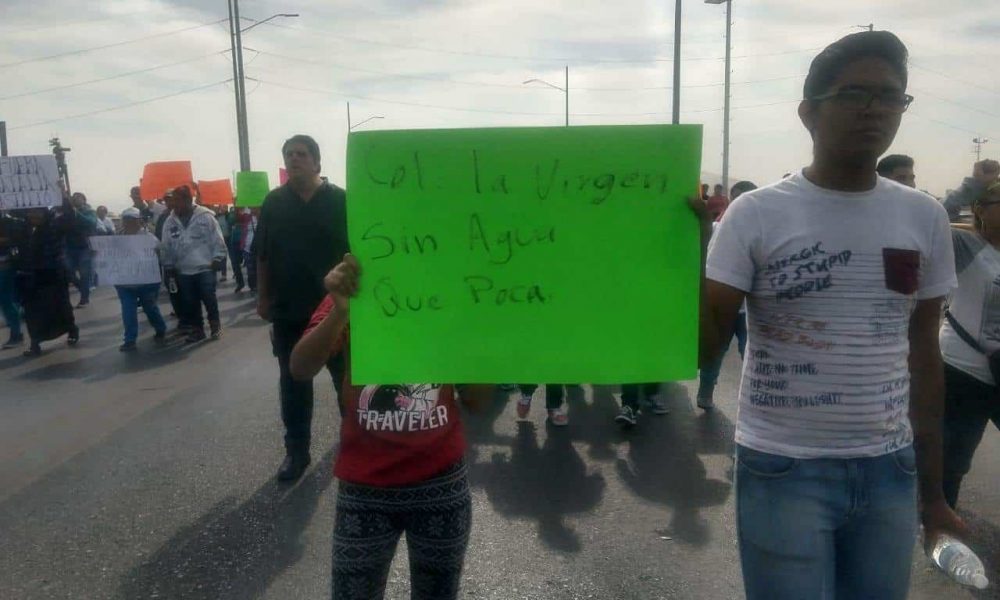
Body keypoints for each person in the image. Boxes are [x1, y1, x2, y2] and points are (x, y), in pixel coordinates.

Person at [699, 31, 966, 599]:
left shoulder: (925, 217)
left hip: (889, 468)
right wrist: (683, 245)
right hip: (783, 466)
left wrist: (934, 493)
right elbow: (701, 346)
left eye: (891, 96)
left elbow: (924, 353)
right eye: (855, 94)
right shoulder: (755, 215)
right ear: (809, 113)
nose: (876, 109)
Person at [289, 254, 490, 600]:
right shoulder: (356, 285)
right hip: (364, 487)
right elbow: (300, 367)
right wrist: (340, 312)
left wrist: (474, 345)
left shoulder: (455, 293)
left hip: (440, 483)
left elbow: (477, 401)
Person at [256, 134, 349, 482]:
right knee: (293, 384)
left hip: (337, 311)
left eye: (301, 154)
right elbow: (262, 254)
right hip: (289, 310)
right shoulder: (274, 203)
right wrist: (263, 297)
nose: (294, 159)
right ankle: (297, 452)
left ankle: (353, 446)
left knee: (346, 381)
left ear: (317, 162)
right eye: (289, 155)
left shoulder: (341, 200)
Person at [939, 179, 1000, 509]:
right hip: (965, 370)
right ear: (981, 210)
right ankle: (941, 516)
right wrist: (973, 183)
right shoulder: (966, 245)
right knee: (956, 452)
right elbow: (932, 217)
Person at [695, 180, 757, 410]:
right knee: (715, 353)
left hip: (748, 311)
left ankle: (751, 399)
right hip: (724, 307)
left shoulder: (765, 230)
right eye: (738, 197)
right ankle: (705, 393)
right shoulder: (719, 228)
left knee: (750, 355)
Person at [159, 185, 227, 343]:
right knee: (190, 302)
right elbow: (166, 245)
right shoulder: (170, 221)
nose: (174, 204)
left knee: (208, 297)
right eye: (173, 201)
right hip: (183, 269)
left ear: (188, 200)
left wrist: (218, 258)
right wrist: (168, 266)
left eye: (178, 201)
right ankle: (198, 330)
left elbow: (217, 239)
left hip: (205, 267)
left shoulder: (205, 217)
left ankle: (215, 325)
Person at [14, 203, 79, 356]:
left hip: (53, 273)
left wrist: (64, 197)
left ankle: (71, 330)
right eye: (30, 212)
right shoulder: (23, 228)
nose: (33, 215)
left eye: (37, 212)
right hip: (30, 275)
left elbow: (70, 218)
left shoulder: (54, 226)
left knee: (61, 306)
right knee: (32, 311)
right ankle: (35, 343)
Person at [114, 208, 167, 352]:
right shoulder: (117, 238)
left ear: (138, 221)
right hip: (125, 283)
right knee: (128, 310)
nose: (129, 223)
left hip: (147, 282)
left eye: (132, 220)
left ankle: (160, 327)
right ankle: (130, 340)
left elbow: (160, 251)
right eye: (126, 220)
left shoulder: (148, 237)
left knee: (150, 307)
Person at [64, 192, 98, 307]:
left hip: (85, 247)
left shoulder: (89, 212)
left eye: (78, 197)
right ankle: (83, 288)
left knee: (84, 274)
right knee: (68, 272)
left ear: (84, 200)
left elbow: (91, 222)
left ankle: (84, 298)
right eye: (74, 198)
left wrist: (76, 212)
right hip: (70, 247)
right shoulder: (68, 213)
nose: (75, 199)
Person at [0, 211, 27, 349]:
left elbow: (15, 239)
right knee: (5, 301)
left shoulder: (9, 222)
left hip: (4, 265)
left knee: (6, 300)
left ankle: (16, 333)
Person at [226, 206, 245, 292]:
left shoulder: (246, 212)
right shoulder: (232, 214)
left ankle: (253, 284)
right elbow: (230, 221)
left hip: (245, 240)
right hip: (235, 240)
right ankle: (240, 283)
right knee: (235, 263)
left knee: (249, 263)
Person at [214, 206, 231, 281]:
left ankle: (235, 272)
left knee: (231, 256)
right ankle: (223, 274)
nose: (222, 208)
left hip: (228, 237)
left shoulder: (228, 216)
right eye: (221, 207)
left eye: (224, 207)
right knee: (222, 255)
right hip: (219, 238)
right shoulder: (216, 216)